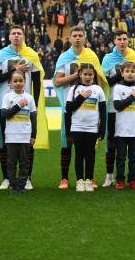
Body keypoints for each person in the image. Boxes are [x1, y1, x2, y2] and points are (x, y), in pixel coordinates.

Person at [0, 25, 47, 191]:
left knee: (27, 142)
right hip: (5, 104)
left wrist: (33, 102)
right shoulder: (1, 55)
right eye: (13, 33)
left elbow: (36, 81)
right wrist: (14, 70)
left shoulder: (31, 55)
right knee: (4, 141)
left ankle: (27, 177)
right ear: (9, 37)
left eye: (19, 33)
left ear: (24, 36)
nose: (16, 36)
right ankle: (7, 178)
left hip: (25, 105)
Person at [54, 26, 109, 189]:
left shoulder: (91, 55)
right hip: (69, 108)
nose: (77, 38)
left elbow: (98, 79)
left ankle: (89, 178)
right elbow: (57, 81)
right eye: (74, 35)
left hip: (90, 110)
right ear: (69, 38)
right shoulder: (64, 57)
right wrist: (76, 76)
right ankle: (64, 178)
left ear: (84, 38)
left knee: (88, 149)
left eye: (80, 35)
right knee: (67, 143)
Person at [101, 31, 135, 188]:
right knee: (112, 142)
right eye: (119, 39)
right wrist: (121, 76)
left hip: (132, 109)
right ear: (114, 41)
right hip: (113, 105)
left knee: (132, 148)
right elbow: (105, 80)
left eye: (124, 39)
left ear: (129, 41)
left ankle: (133, 177)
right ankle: (110, 175)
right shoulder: (108, 59)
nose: (122, 42)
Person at [65, 63, 106, 192]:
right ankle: (79, 181)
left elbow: (103, 112)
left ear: (94, 75)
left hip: (92, 128)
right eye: (85, 74)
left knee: (90, 155)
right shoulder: (74, 89)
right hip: (77, 128)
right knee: (79, 154)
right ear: (79, 75)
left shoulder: (98, 90)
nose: (87, 77)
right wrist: (82, 97)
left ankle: (88, 180)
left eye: (90, 74)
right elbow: (68, 108)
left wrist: (102, 130)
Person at [112, 61, 135, 190]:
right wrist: (132, 96)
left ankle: (132, 180)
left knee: (134, 158)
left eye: (132, 71)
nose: (130, 74)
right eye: (127, 71)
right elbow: (118, 106)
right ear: (122, 73)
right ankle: (120, 180)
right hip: (121, 129)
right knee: (121, 157)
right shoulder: (117, 88)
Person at [0, 71, 37, 193]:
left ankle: (21, 186)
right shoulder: (7, 97)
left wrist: (33, 135)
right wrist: (18, 106)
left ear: (25, 82)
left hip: (25, 136)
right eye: (15, 81)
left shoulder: (30, 98)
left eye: (21, 80)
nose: (18, 83)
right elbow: (5, 115)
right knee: (11, 163)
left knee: (24, 162)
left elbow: (33, 118)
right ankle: (13, 185)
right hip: (11, 136)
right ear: (10, 82)